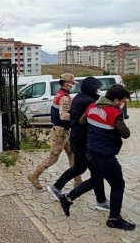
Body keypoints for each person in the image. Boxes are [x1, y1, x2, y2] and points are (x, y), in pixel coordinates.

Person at [59, 84, 135, 230]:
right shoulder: (114, 112)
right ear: (116, 100)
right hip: (105, 156)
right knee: (118, 185)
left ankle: (68, 199)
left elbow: (82, 121)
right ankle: (114, 219)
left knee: (96, 179)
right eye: (123, 100)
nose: (124, 103)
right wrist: (115, 116)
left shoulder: (92, 106)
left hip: (91, 152)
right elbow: (126, 133)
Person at [47, 77, 109, 210]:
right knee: (96, 172)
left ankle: (56, 187)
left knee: (79, 168)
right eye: (96, 88)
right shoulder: (89, 101)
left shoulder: (79, 97)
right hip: (83, 141)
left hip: (76, 138)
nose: (98, 90)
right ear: (90, 88)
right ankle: (101, 201)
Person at [27, 73, 81, 189]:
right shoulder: (65, 97)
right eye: (72, 83)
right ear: (67, 83)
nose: (73, 85)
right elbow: (63, 116)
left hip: (64, 132)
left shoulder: (60, 94)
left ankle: (78, 182)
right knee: (53, 158)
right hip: (60, 133)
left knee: (73, 155)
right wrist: (76, 116)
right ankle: (34, 175)